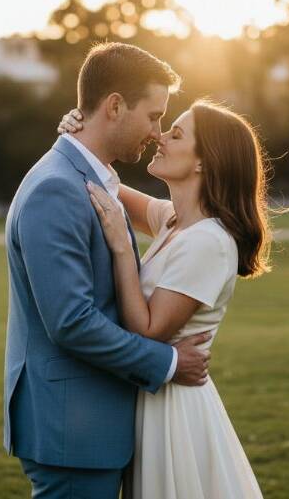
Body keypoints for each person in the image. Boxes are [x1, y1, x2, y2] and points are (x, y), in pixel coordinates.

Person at [3, 42, 212, 499]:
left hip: (88, 425)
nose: (158, 132)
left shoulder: (90, 178)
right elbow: (72, 323)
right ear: (115, 106)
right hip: (71, 430)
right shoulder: (57, 189)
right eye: (154, 116)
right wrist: (171, 362)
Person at [57, 97, 277, 498]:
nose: (159, 137)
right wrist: (81, 136)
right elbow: (102, 185)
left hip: (175, 411)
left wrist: (123, 248)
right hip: (155, 394)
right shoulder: (173, 222)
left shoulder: (209, 241)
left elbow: (148, 331)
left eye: (175, 134)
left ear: (203, 163)